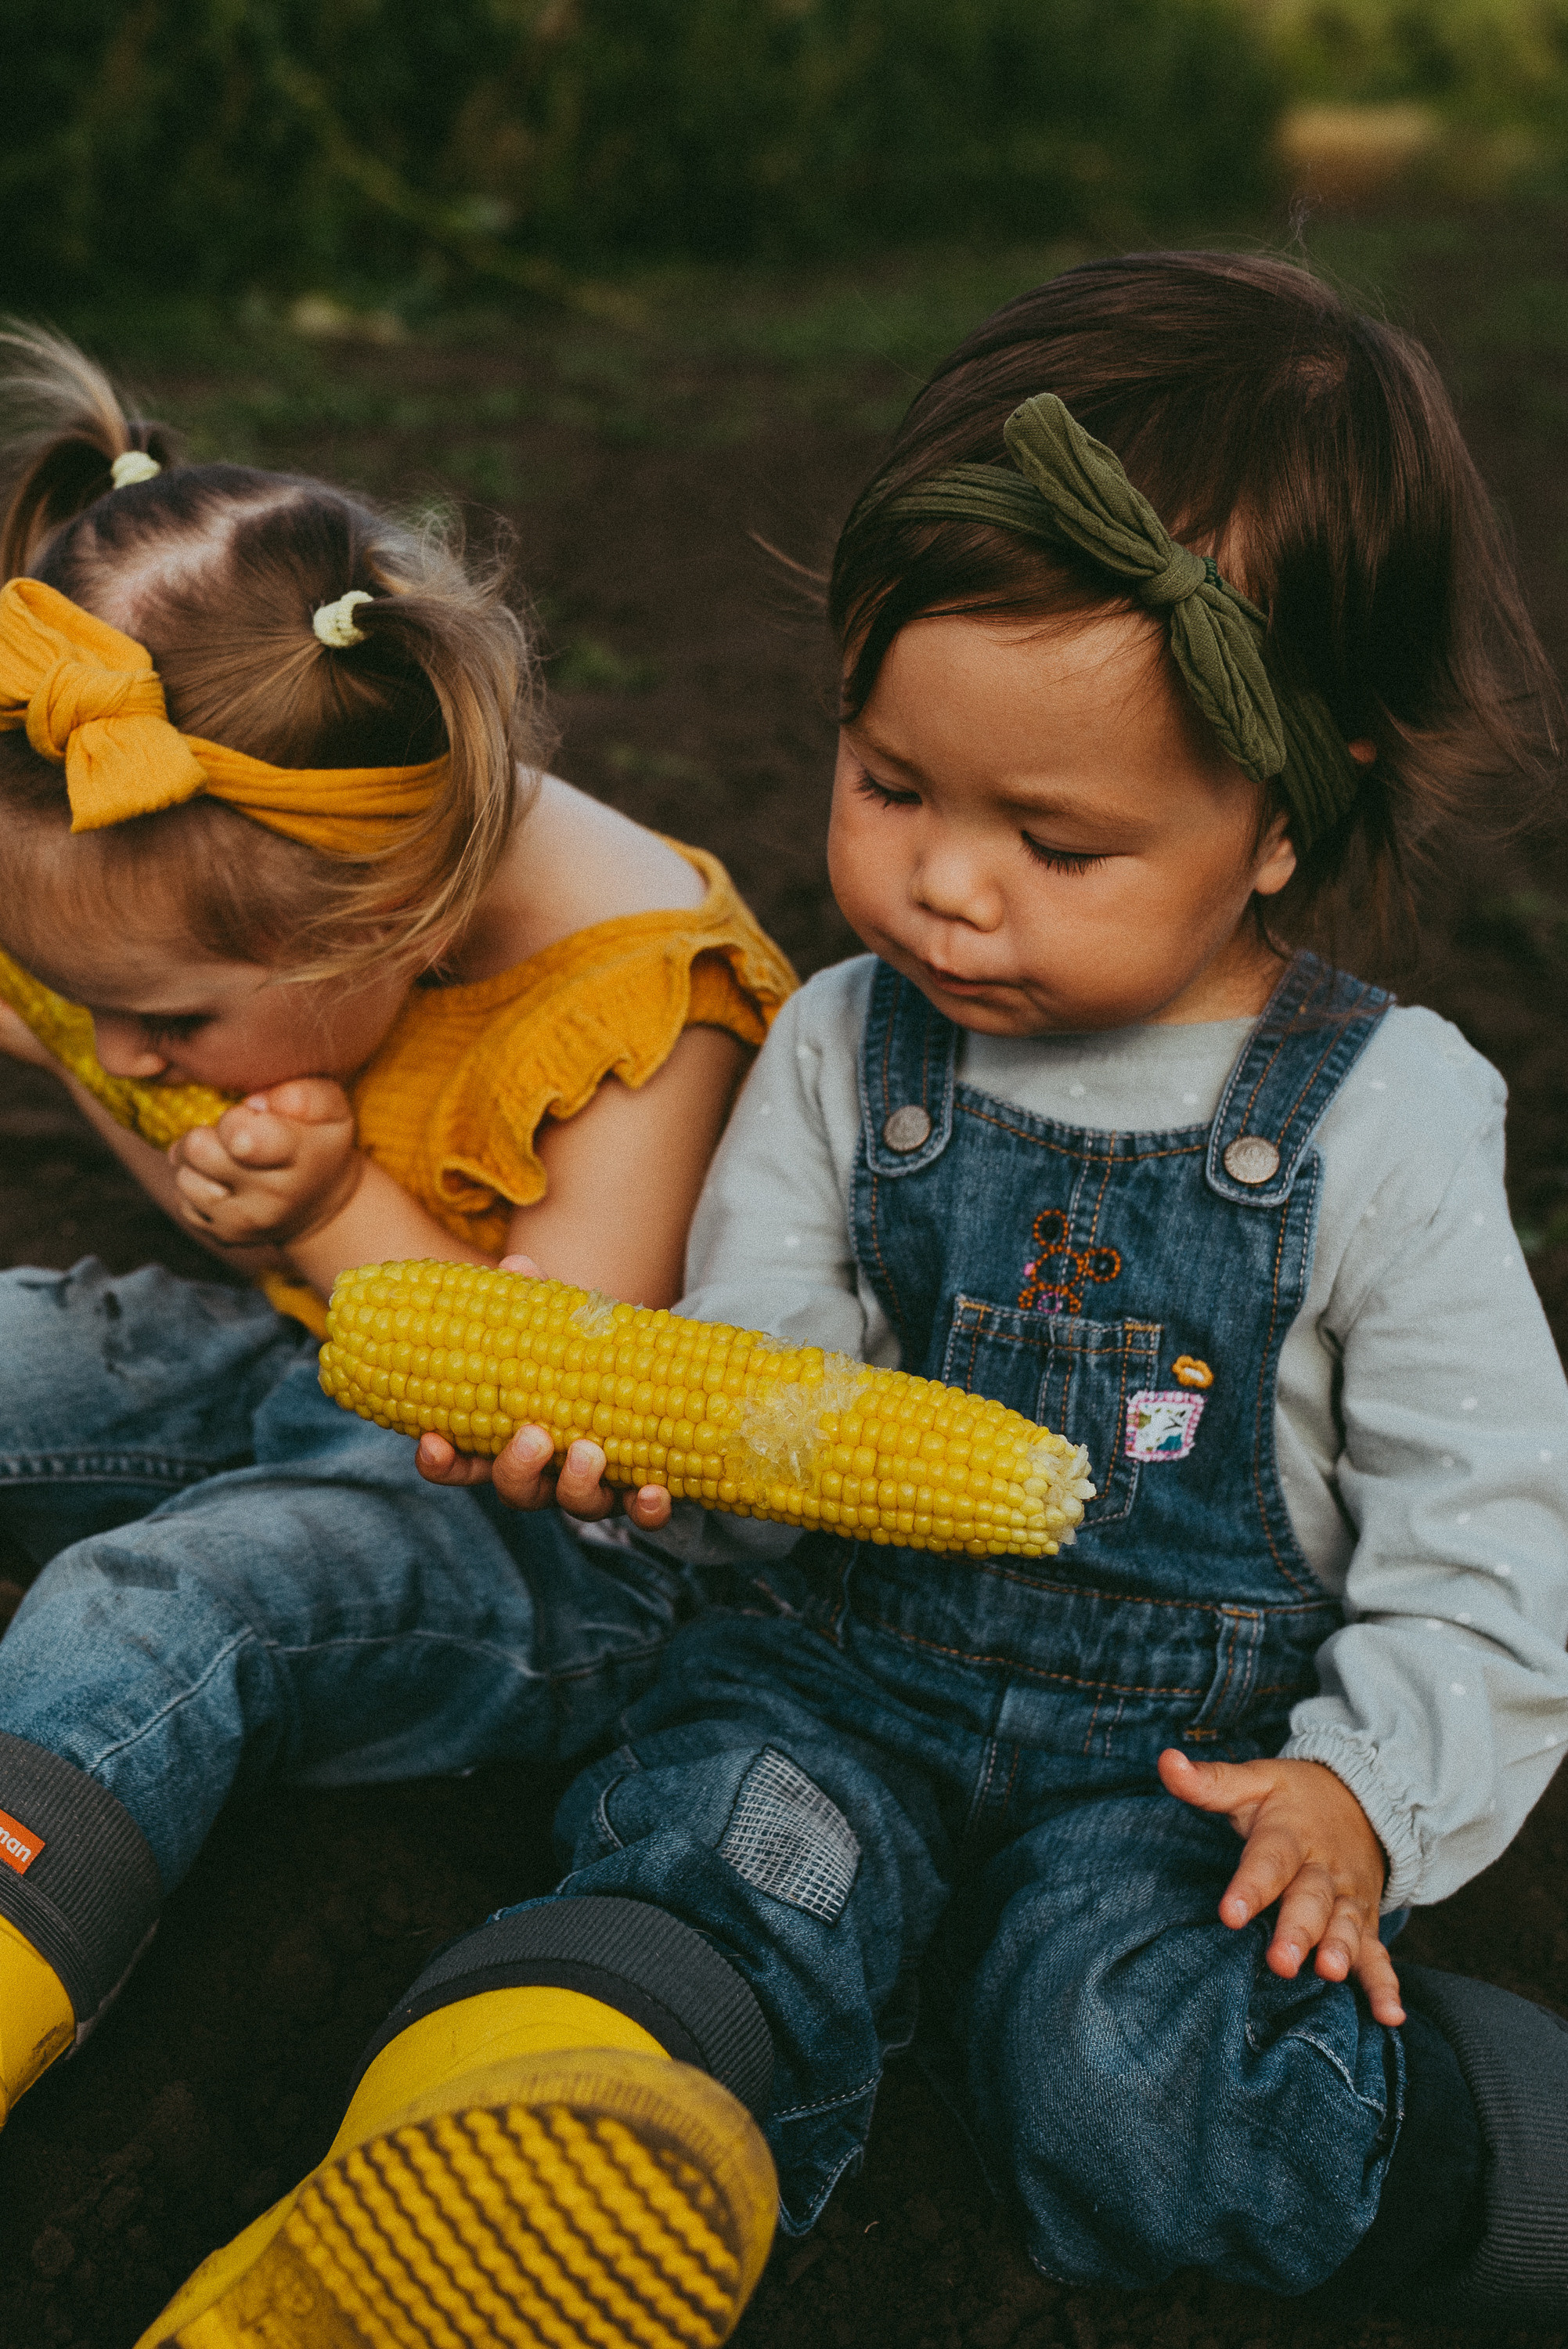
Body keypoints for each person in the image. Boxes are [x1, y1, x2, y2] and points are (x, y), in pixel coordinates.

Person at [144, 252, 1568, 2349]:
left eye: (1053, 841)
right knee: (715, 1855)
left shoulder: (1379, 1116)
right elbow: (768, 1409)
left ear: (1286, 813)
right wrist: (635, 1444)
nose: (940, 886)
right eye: (891, 785)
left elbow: (1486, 1517)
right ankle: (506, 2147)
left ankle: (1482, 2144)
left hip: (1183, 1776)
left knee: (1115, 2064)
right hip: (838, 1681)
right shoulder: (840, 1048)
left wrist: (1371, 1787)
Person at [0, 328, 795, 2161]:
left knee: (162, 1598)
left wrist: (336, 1205)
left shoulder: (641, 1014)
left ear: (399, 922)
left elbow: (539, 1419)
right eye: (81, 1002)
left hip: (561, 1547)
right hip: (312, 1359)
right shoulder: (207, 893)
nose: (126, 1064)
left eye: (169, 1027)